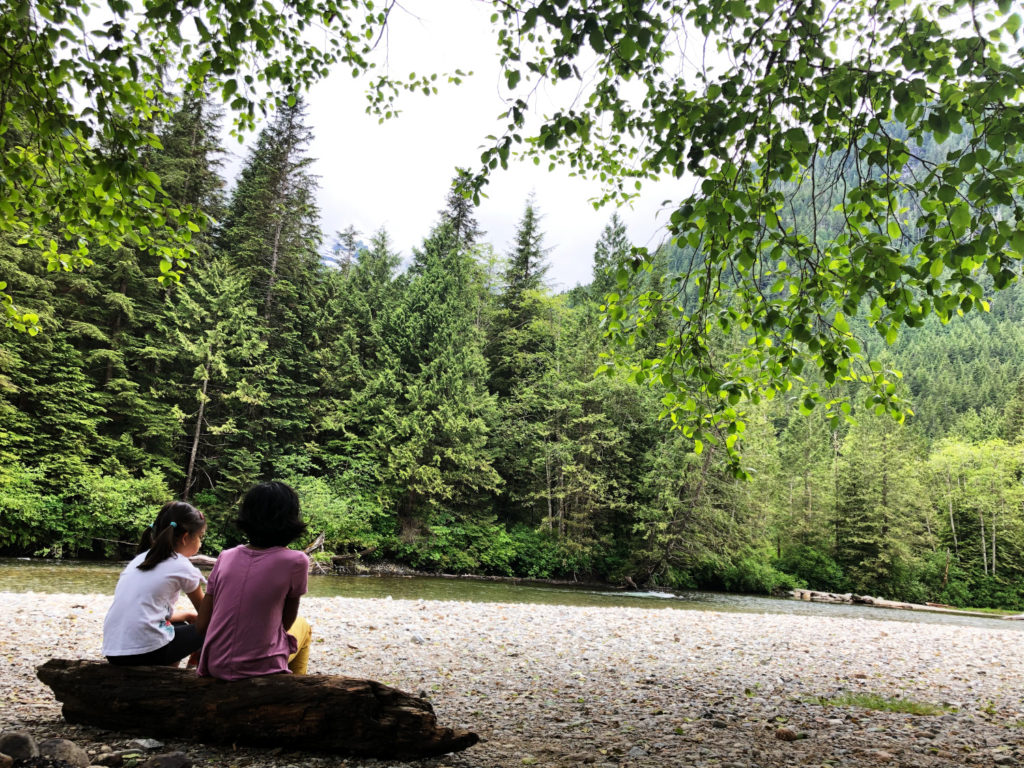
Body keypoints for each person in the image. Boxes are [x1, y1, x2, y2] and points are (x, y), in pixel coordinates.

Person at [196, 481, 312, 680]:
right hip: (260, 666)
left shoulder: (226, 556)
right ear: (290, 519)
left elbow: (202, 624)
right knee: (304, 627)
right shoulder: (296, 561)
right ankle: (295, 685)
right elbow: (285, 623)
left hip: (215, 664)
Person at [102, 501, 207, 666]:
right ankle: (195, 667)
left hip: (114, 651)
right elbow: (207, 614)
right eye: (200, 537)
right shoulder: (182, 565)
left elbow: (144, 614)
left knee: (180, 624)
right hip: (146, 652)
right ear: (186, 537)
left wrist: (186, 615)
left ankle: (169, 674)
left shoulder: (141, 559)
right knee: (212, 629)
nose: (200, 543)